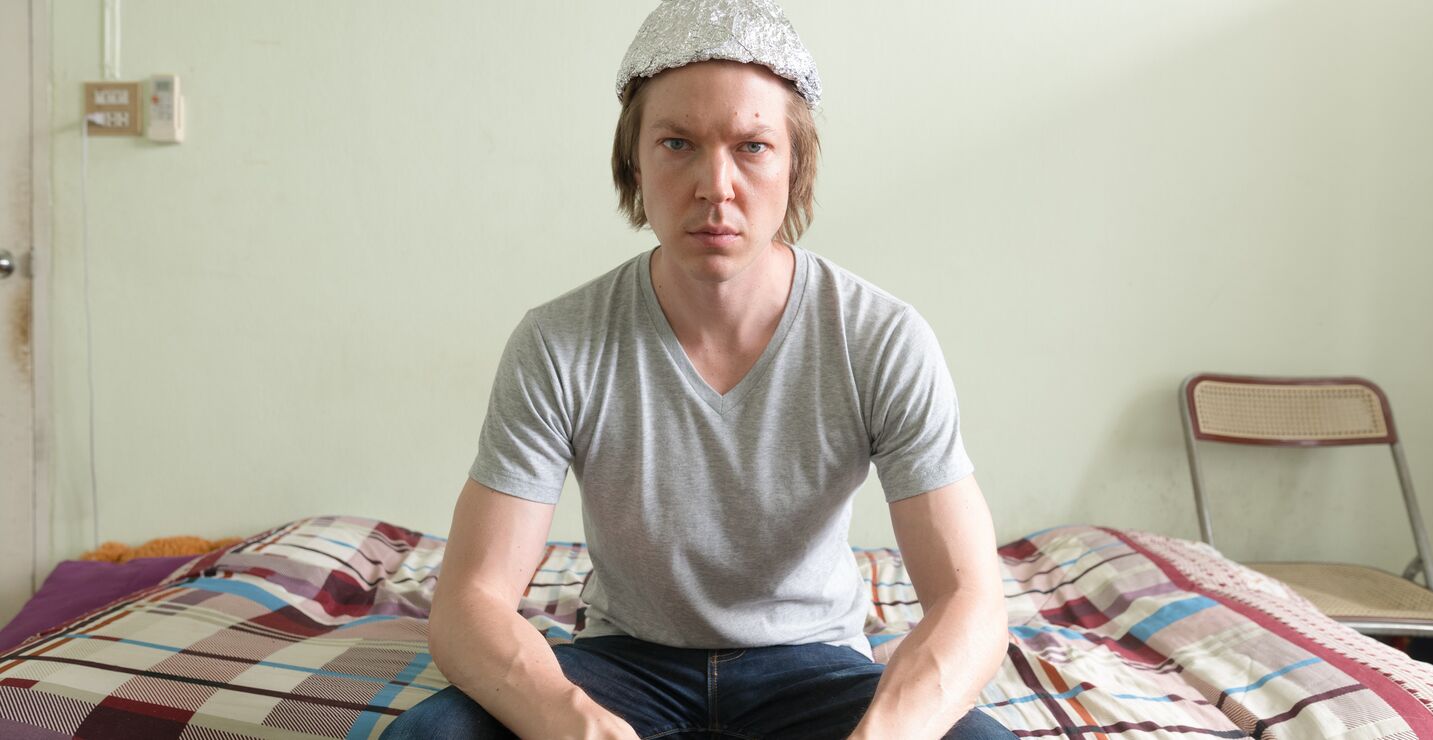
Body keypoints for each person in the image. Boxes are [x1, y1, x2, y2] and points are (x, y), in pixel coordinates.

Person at [383, 1, 1014, 738]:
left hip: (811, 663)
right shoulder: (558, 342)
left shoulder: (881, 338)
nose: (716, 185)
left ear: (795, 163)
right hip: (624, 662)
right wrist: (572, 723)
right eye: (678, 143)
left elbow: (972, 598)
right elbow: (469, 602)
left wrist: (884, 735)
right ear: (635, 163)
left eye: (751, 146)